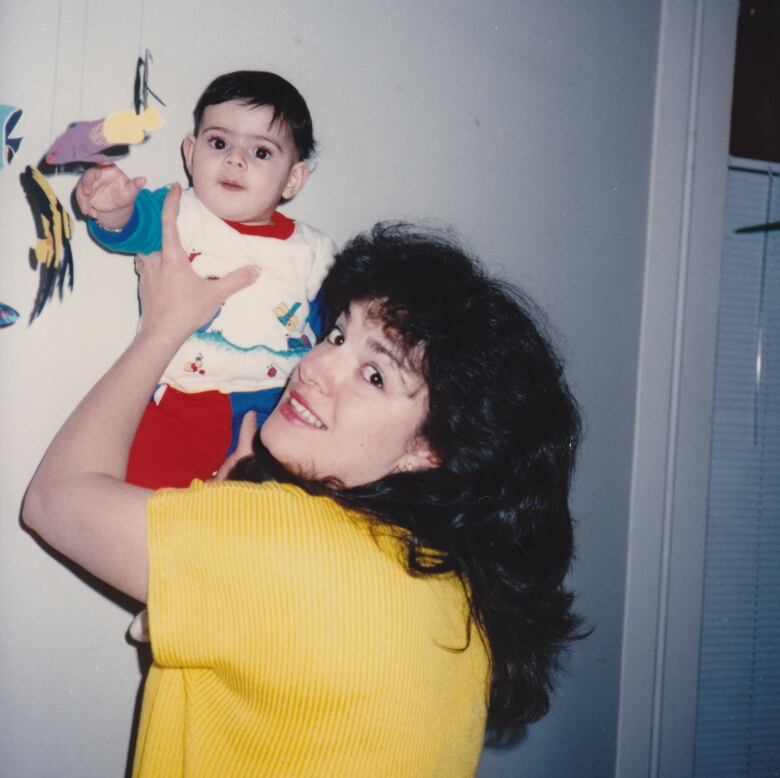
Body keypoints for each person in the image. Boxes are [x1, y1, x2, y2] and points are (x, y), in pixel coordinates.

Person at [23, 186, 582, 776]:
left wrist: (163, 327)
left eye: (374, 375)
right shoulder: (453, 583)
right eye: (338, 336)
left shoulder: (291, 543)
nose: (313, 366)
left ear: (430, 449)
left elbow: (55, 499)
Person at [75, 71, 336, 489]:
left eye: (262, 152)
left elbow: (334, 324)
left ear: (293, 179)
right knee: (149, 493)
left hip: (273, 404)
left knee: (269, 508)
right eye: (219, 143)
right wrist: (113, 208)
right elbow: (136, 225)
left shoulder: (311, 249)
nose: (235, 159)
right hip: (180, 399)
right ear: (191, 152)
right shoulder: (182, 211)